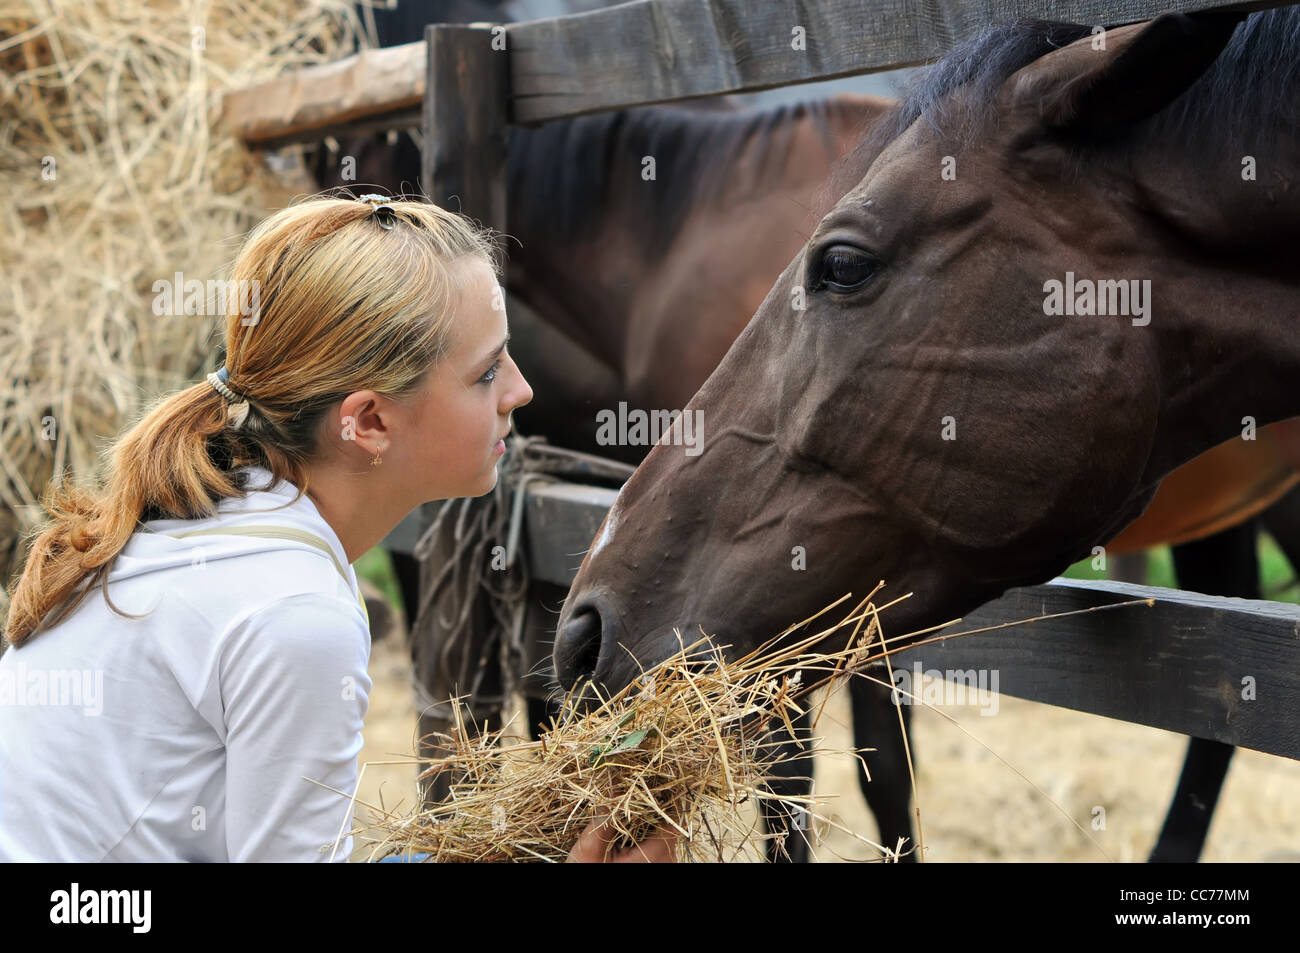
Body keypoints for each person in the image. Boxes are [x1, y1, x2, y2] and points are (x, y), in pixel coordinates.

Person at [0, 193, 676, 863]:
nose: (520, 390)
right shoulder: (297, 609)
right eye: (486, 371)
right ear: (370, 422)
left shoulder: (212, 521)